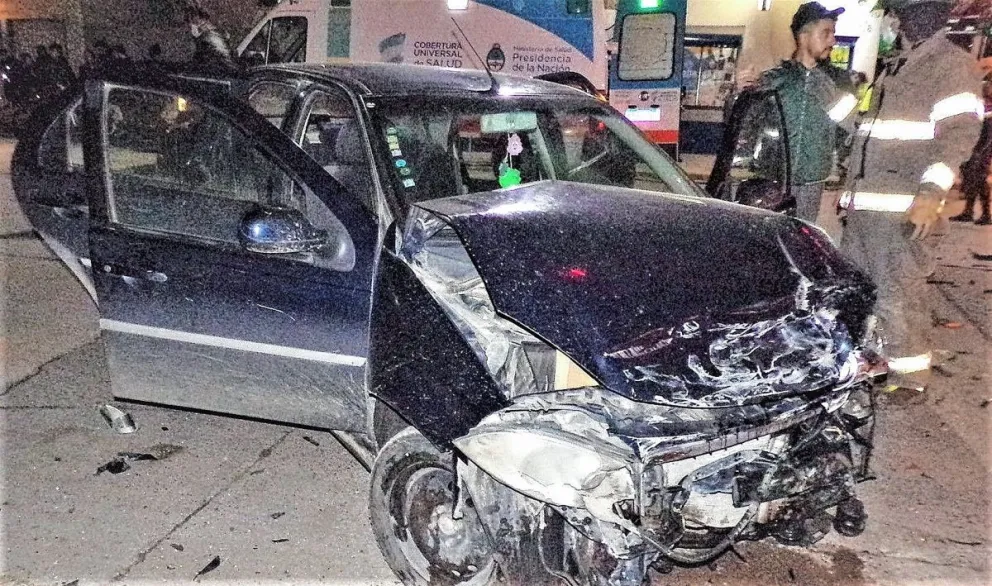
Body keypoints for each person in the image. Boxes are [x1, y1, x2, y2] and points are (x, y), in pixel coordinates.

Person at [839, 0, 984, 387]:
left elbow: (957, 137)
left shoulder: (949, 66)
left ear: (912, 20)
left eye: (893, 17)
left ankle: (909, 379)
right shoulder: (898, 67)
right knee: (863, 292)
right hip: (867, 210)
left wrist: (929, 194)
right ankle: (874, 363)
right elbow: (868, 130)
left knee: (897, 293)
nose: (888, 25)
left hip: (903, 211)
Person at [757, 2, 858, 223]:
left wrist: (847, 182)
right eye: (826, 33)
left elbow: (851, 132)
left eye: (833, 33)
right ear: (804, 36)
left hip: (813, 183)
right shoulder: (775, 79)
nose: (833, 40)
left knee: (801, 241)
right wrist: (742, 94)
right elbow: (752, 128)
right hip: (774, 179)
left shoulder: (838, 82)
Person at [950, 74, 992, 224]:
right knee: (970, 178)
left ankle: (986, 214)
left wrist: (980, 152)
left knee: (979, 179)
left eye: (988, 84)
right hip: (974, 146)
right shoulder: (981, 103)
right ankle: (968, 211)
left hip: (982, 149)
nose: (986, 87)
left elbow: (988, 134)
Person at [185, 8, 236, 72]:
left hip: (219, 71)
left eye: (194, 23)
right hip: (223, 70)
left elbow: (199, 59)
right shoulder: (215, 34)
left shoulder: (207, 37)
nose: (191, 26)